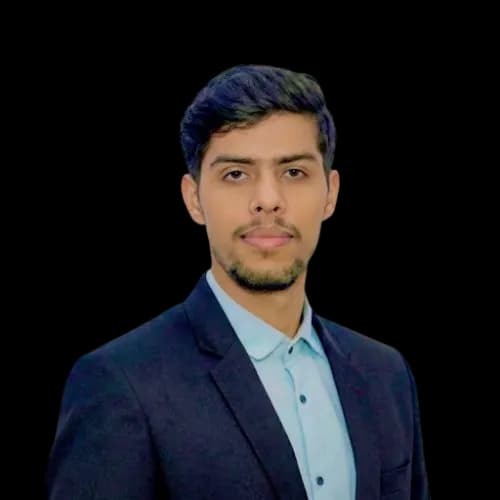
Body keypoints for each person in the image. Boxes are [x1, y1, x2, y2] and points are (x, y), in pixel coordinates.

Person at [46, 64, 430, 499]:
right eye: (236, 174)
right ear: (194, 198)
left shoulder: (386, 375)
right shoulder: (120, 384)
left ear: (331, 193)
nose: (268, 200)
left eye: (294, 172)